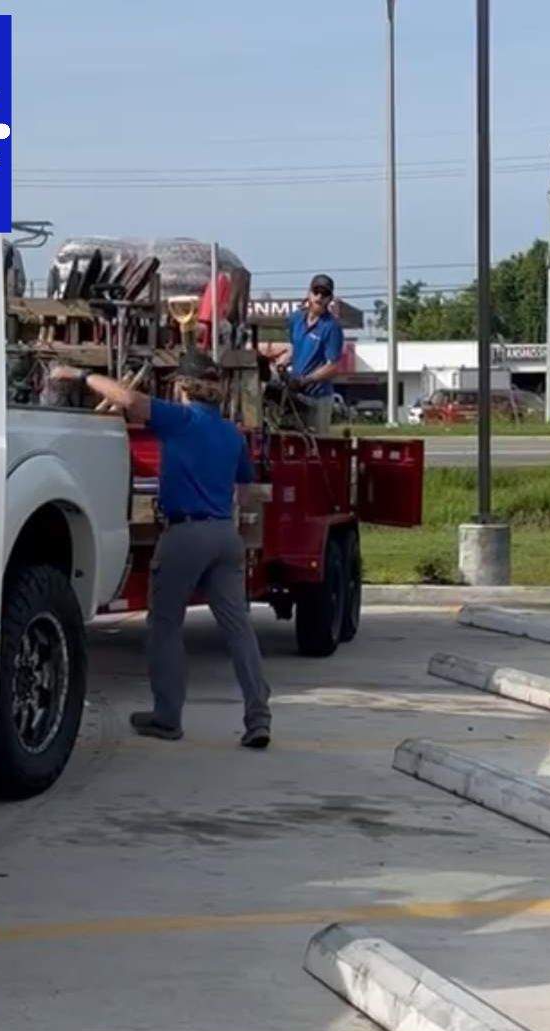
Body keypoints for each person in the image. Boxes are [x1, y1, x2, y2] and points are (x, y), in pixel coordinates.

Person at [49, 353, 272, 749]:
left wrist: (79, 374)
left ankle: (167, 717)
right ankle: (259, 717)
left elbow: (127, 399)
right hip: (224, 534)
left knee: (166, 626)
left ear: (182, 387)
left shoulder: (180, 419)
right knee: (238, 629)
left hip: (185, 534)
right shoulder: (231, 434)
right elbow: (244, 491)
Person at [281, 273, 345, 433]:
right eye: (316, 291)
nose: (319, 297)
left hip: (318, 397)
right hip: (295, 393)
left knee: (317, 445)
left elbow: (332, 366)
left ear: (330, 298)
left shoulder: (331, 327)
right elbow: (294, 348)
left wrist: (306, 380)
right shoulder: (295, 319)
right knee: (292, 442)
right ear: (309, 293)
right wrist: (282, 362)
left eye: (325, 294)